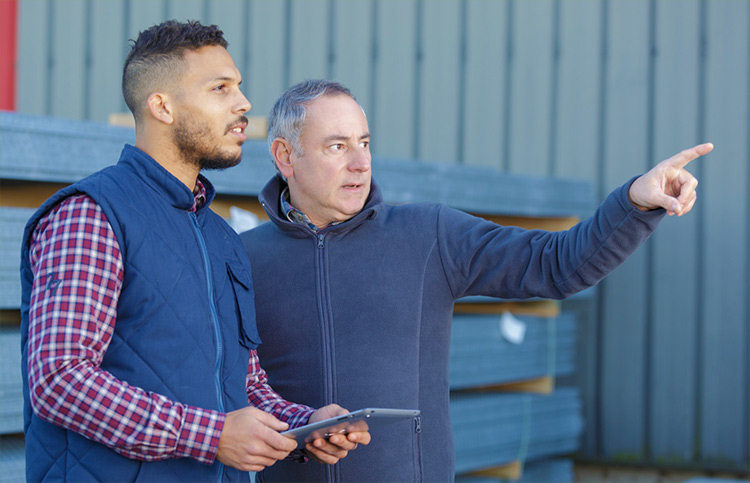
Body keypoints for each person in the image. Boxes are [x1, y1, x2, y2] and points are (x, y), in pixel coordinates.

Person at [239, 79, 713, 482]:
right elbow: (228, 388)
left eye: (364, 143)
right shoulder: (242, 259)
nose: (361, 163)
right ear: (286, 156)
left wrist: (635, 203)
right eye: (337, 146)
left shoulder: (428, 235)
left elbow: (557, 264)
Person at [19, 23, 368, 483]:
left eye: (239, 87)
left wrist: (306, 426)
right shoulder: (93, 215)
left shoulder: (221, 238)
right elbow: (60, 380)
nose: (243, 104)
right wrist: (212, 436)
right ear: (162, 106)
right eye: (220, 88)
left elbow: (244, 386)